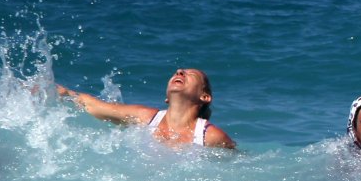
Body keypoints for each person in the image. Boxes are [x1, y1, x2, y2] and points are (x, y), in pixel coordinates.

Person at [56, 69, 235, 148]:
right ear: (166, 97)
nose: (180, 71)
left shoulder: (209, 136)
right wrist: (62, 92)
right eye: (177, 72)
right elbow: (93, 105)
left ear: (205, 97)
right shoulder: (145, 117)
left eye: (191, 74)